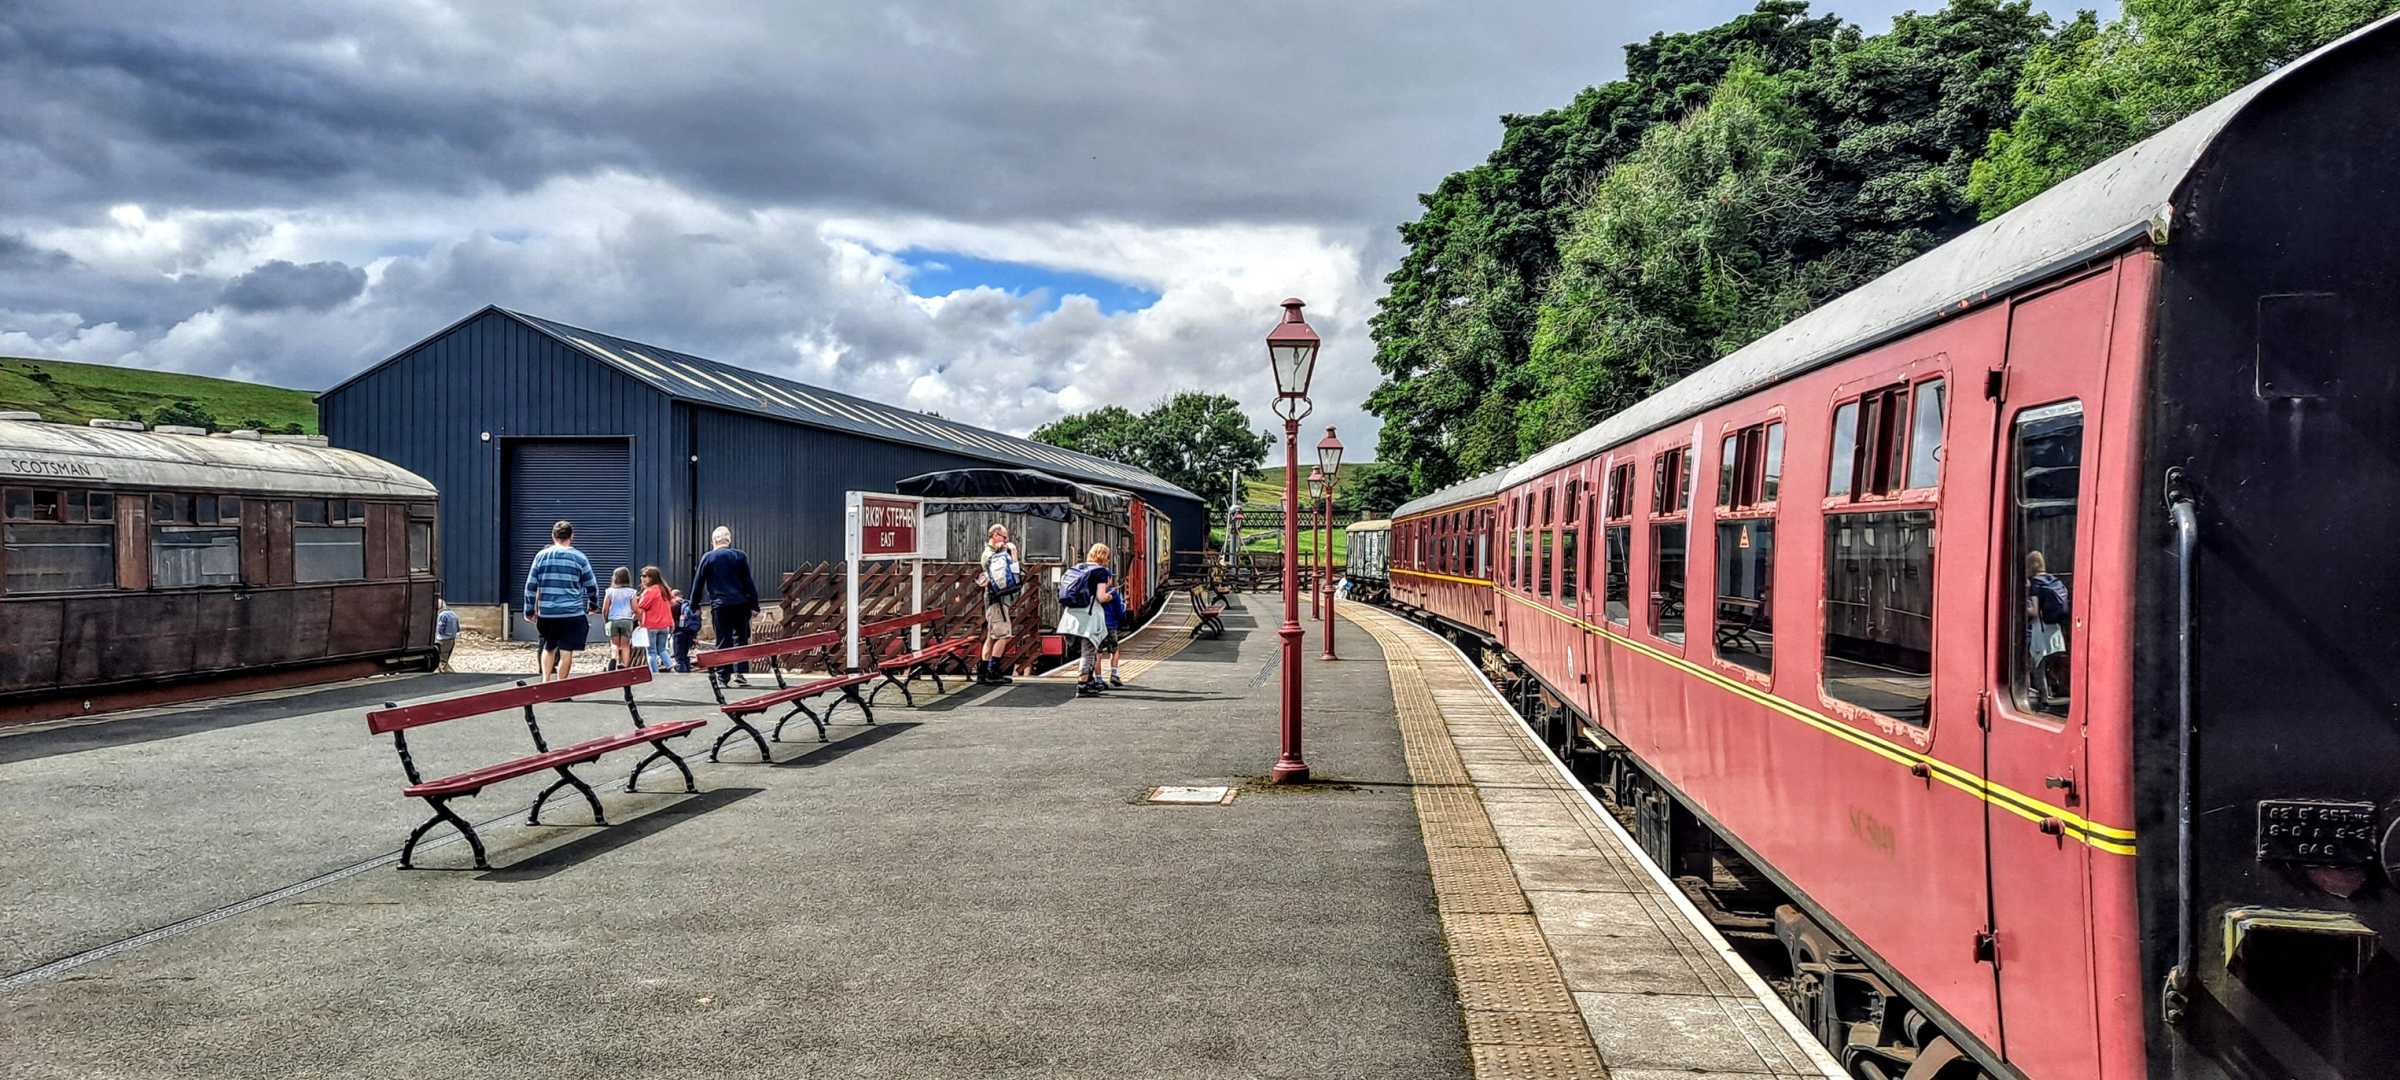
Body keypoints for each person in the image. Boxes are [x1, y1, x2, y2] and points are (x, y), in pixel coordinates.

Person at [523, 519, 600, 682]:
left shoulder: (541, 556)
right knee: (566, 651)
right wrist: (593, 605)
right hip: (571, 613)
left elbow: (530, 585)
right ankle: (561, 685)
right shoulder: (580, 558)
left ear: (553, 536)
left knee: (548, 646)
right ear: (572, 536)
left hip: (547, 612)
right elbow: (591, 585)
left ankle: (545, 681)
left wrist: (529, 610)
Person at [690, 525, 760, 688]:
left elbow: (698, 583)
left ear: (714, 540)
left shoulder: (708, 558)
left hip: (720, 605)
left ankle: (723, 676)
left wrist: (694, 604)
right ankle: (740, 672)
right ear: (728, 540)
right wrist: (754, 605)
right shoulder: (740, 556)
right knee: (740, 638)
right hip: (741, 604)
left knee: (723, 640)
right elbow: (748, 582)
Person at [1056, 543, 1115, 698]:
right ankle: (1083, 684)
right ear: (1104, 557)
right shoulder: (1101, 572)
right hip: (1088, 616)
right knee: (1089, 650)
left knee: (1084, 650)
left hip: (1071, 616)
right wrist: (1110, 595)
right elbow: (1101, 597)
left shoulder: (1077, 568)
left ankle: (1088, 680)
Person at [975, 523, 1022, 686]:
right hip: (998, 601)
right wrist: (1011, 553)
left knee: (990, 637)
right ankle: (992, 672)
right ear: (995, 535)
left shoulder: (990, 553)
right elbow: (1011, 573)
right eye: (1004, 536)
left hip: (992, 599)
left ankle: (982, 672)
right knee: (1004, 635)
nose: (1006, 540)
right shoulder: (992, 554)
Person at [2025, 550, 2070, 707]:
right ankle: (2055, 691)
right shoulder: (2053, 580)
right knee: (2050, 663)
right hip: (2055, 630)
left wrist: (2020, 606)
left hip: (2041, 632)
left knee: (2037, 666)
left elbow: (2034, 611)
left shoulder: (2036, 583)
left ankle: (2044, 700)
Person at [635, 566, 675, 673]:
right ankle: (670, 667)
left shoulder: (649, 591)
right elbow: (669, 607)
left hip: (651, 625)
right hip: (664, 625)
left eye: (645, 576)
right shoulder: (665, 590)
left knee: (651, 652)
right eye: (642, 576)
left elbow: (641, 606)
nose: (642, 578)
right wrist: (672, 622)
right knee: (662, 649)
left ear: (652, 578)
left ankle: (655, 673)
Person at [602, 566, 640, 671]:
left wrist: (606, 621)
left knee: (614, 643)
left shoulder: (609, 591)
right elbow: (635, 609)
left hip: (612, 620)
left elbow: (605, 609)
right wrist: (636, 618)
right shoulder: (631, 592)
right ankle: (624, 665)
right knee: (625, 645)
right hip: (627, 620)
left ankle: (614, 658)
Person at [1099, 560, 1128, 687]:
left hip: (1098, 626)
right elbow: (1119, 611)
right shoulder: (1113, 593)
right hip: (1111, 626)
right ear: (1109, 579)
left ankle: (1098, 678)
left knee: (1098, 653)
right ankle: (1114, 674)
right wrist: (1122, 618)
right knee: (1114, 650)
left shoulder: (1095, 594)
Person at [671, 588, 701, 673]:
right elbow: (698, 619)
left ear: (673, 596)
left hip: (679, 632)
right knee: (685, 655)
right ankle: (687, 672)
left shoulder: (674, 605)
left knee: (679, 656)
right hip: (691, 632)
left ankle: (682, 674)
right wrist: (695, 636)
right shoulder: (690, 604)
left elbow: (672, 619)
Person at [433, 598, 460, 673]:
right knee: (445, 658)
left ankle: (448, 675)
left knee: (441, 660)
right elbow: (458, 628)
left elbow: (440, 628)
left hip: (442, 640)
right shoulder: (453, 614)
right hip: (452, 639)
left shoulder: (442, 615)